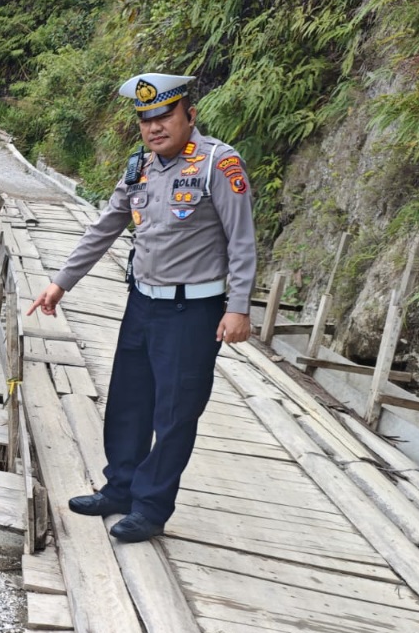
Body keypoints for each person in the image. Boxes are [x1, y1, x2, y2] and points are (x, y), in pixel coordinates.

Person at [26, 73, 257, 543]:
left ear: (189, 116)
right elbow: (104, 227)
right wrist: (60, 283)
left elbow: (242, 241)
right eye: (145, 120)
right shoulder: (140, 169)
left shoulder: (219, 162)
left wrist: (238, 308)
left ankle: (150, 508)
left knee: (175, 412)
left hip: (193, 313)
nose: (154, 127)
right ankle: (120, 489)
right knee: (129, 402)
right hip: (141, 303)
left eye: (164, 116)